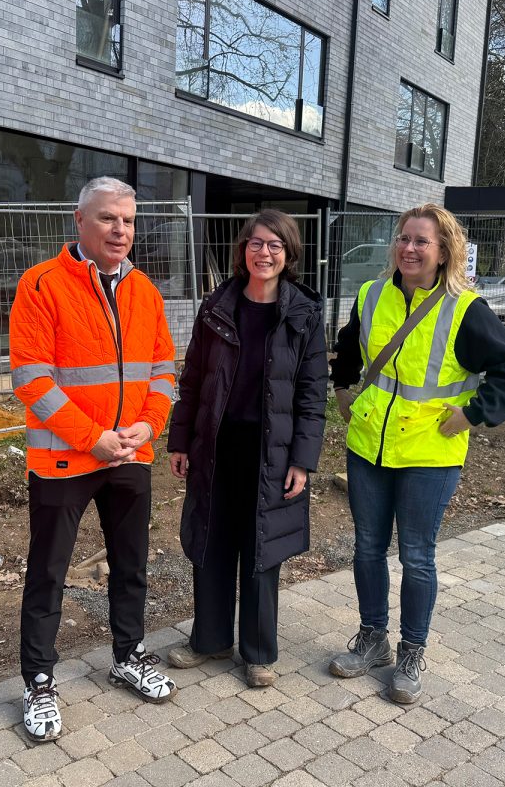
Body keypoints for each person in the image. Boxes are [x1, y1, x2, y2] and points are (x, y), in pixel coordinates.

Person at [328, 203, 505, 704]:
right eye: (403, 238)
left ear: (443, 253)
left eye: (422, 241)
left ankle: (411, 651)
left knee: (417, 557)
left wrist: (473, 414)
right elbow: (349, 345)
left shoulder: (465, 309)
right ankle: (372, 638)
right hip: (369, 444)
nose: (409, 248)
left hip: (429, 453)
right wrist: (341, 388)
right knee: (368, 548)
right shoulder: (373, 295)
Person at [9, 176, 179, 742]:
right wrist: (91, 437)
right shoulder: (40, 286)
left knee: (131, 564)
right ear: (79, 220)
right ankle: (38, 681)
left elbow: (162, 370)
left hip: (130, 453)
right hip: (65, 461)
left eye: (128, 220)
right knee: (49, 573)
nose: (120, 230)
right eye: (108, 218)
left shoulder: (145, 292)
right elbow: (32, 379)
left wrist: (146, 425)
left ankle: (128, 653)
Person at [165, 209, 328, 688]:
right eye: (256, 243)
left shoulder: (303, 314)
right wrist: (180, 438)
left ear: (288, 254)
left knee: (261, 549)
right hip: (217, 444)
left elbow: (312, 393)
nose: (265, 253)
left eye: (275, 245)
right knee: (211, 542)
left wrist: (302, 459)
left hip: (271, 450)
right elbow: (192, 378)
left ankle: (258, 652)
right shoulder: (217, 306)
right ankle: (209, 640)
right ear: (243, 250)